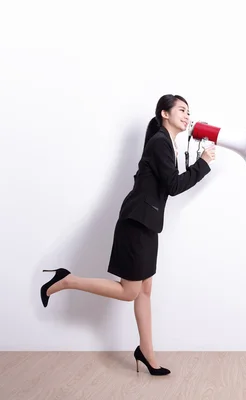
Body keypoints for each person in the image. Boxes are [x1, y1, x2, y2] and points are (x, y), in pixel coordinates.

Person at [39, 94, 215, 376]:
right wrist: (203, 163)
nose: (187, 115)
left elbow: (168, 183)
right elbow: (173, 185)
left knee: (145, 290)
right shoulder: (160, 142)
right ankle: (66, 280)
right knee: (129, 291)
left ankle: (147, 353)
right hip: (136, 222)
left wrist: (197, 160)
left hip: (147, 223)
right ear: (164, 114)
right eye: (182, 110)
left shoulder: (165, 143)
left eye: (188, 111)